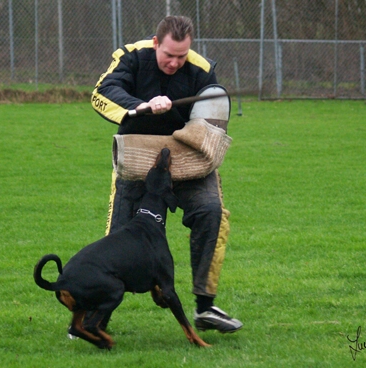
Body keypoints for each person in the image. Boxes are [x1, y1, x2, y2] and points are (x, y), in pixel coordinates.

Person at [90, 15, 242, 334]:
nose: (174, 63)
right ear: (156, 43)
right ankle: (95, 317)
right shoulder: (132, 55)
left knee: (212, 212)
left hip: (187, 158)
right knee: (117, 236)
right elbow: (103, 92)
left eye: (181, 56)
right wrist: (141, 105)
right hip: (138, 157)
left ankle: (205, 306)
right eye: (168, 55)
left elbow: (213, 115)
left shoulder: (201, 69)